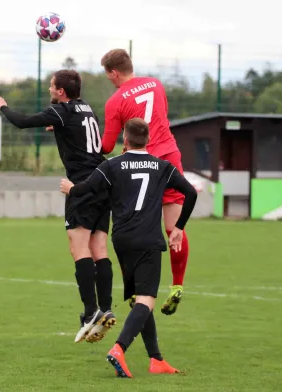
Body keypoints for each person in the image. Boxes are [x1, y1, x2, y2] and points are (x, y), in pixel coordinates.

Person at [60, 118, 197, 377]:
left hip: (122, 239)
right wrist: (178, 227)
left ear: (125, 138)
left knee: (138, 298)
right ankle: (119, 349)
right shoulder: (162, 166)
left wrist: (71, 188)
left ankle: (156, 359)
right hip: (148, 239)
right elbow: (190, 193)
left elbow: (87, 189)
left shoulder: (112, 165)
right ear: (148, 140)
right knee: (147, 299)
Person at [0, 69, 116, 344]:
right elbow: (78, 132)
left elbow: (21, 122)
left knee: (78, 247)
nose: (49, 90)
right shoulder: (85, 108)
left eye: (51, 87)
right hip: (102, 183)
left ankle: (91, 312)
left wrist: (3, 105)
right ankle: (105, 307)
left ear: (60, 91)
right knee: (99, 248)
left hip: (81, 185)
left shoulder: (62, 110)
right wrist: (58, 127)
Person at [99, 48, 189, 316]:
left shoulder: (115, 101)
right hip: (169, 158)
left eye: (108, 77)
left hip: (140, 165)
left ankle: (136, 289)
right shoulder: (157, 84)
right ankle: (177, 285)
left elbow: (105, 145)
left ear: (114, 72)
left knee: (130, 227)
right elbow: (160, 119)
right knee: (173, 227)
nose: (110, 81)